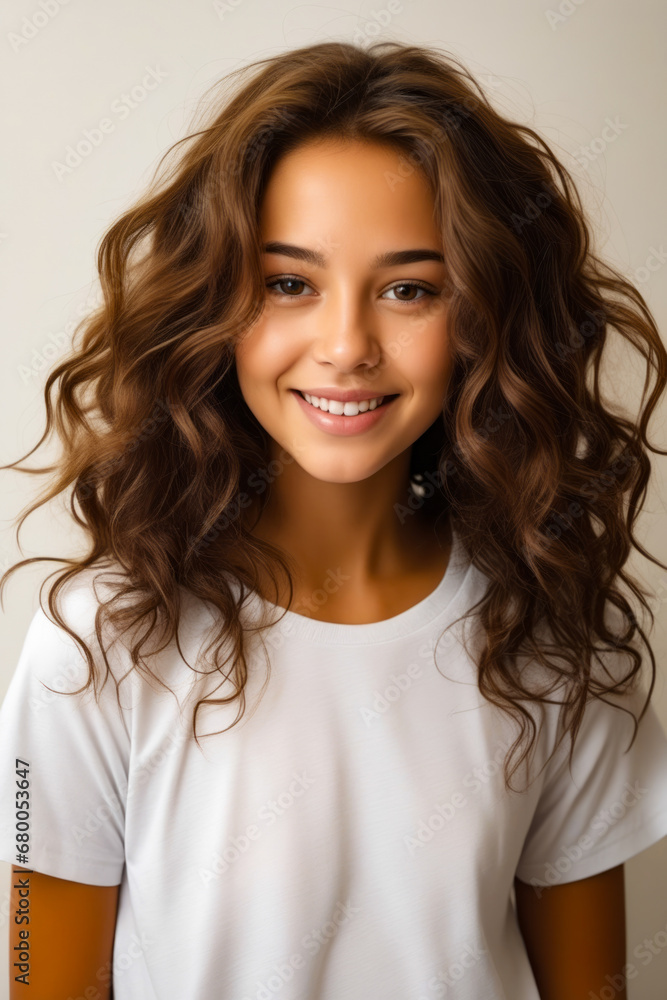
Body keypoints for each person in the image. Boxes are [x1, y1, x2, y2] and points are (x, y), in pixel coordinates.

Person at [1, 39, 667, 1000]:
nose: (347, 345)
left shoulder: (549, 631)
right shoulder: (97, 644)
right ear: (216, 303)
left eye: (409, 288)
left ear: (479, 314)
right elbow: (39, 978)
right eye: (288, 283)